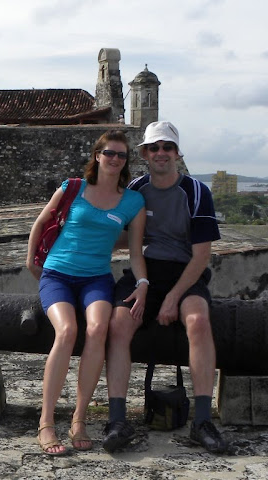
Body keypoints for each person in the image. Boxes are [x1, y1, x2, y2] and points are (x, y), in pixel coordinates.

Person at [102, 121, 228, 454]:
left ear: (177, 153)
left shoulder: (197, 192)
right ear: (144, 153)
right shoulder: (136, 191)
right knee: (118, 325)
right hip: (145, 270)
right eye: (154, 148)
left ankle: (202, 420)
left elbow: (201, 257)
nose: (161, 153)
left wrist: (172, 298)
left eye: (167, 148)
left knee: (198, 322)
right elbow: (128, 240)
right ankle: (116, 418)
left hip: (184, 274)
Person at [26, 130, 147, 455]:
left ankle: (79, 419)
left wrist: (143, 285)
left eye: (121, 155)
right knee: (67, 331)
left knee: (98, 330)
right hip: (58, 274)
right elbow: (41, 222)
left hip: (96, 278)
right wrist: (31, 261)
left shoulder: (133, 202)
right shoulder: (73, 188)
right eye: (110, 153)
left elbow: (135, 251)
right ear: (97, 156)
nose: (115, 159)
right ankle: (47, 422)